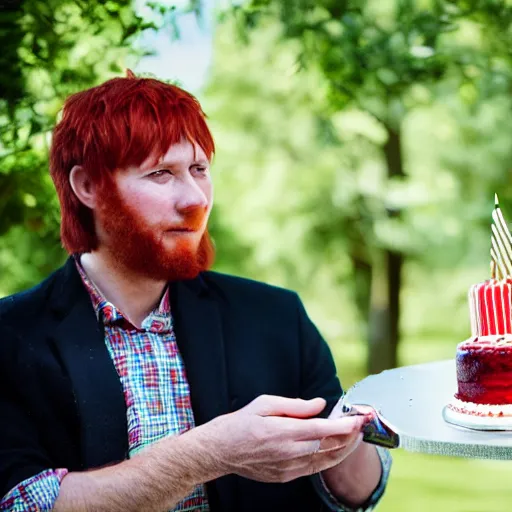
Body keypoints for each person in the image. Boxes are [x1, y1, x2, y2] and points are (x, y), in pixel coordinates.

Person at [0, 72, 391, 512]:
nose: (195, 199)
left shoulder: (277, 316)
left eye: (199, 169)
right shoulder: (10, 336)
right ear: (87, 187)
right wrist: (208, 453)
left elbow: (355, 494)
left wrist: (350, 440)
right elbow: (23, 502)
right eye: (161, 173)